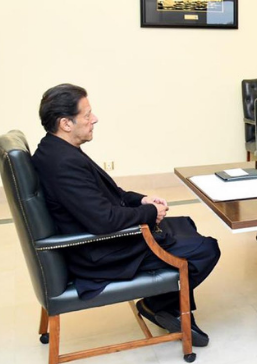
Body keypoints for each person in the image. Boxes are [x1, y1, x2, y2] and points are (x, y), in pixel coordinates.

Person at [31, 84, 221, 347]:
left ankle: (167, 306)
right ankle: (157, 306)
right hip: (100, 253)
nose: (94, 119)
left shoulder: (55, 149)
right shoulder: (63, 164)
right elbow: (104, 220)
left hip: (97, 240)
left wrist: (140, 200)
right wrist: (149, 212)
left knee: (186, 225)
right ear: (65, 122)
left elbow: (108, 194)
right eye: (87, 115)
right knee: (206, 249)